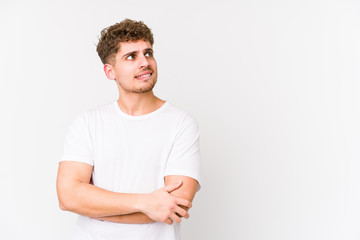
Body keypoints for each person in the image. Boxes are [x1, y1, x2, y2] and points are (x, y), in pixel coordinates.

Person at [56, 19, 201, 240]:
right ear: (110, 71)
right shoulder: (87, 123)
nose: (145, 62)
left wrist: (97, 208)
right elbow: (68, 197)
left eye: (148, 53)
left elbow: (173, 206)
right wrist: (146, 203)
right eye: (131, 56)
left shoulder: (181, 124)